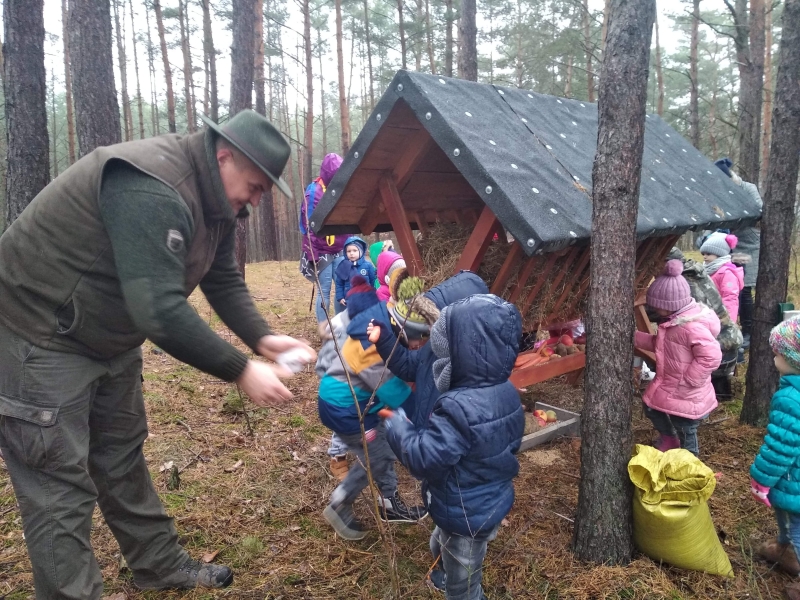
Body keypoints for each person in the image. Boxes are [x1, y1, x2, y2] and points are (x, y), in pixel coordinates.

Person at [0, 109, 316, 597]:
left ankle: (161, 567)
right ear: (224, 155)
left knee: (121, 454)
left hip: (106, 335)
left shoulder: (219, 204)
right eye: (255, 186)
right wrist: (240, 370)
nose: (256, 200)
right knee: (59, 490)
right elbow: (159, 309)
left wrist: (263, 338)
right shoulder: (151, 185)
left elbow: (223, 277)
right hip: (39, 333)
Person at [382, 294, 525, 600]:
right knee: (442, 543)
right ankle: (447, 572)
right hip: (489, 499)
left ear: (464, 354)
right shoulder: (507, 392)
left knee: (464, 585)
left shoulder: (459, 408)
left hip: (466, 512)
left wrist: (398, 426)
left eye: (445, 352)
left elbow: (423, 458)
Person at [315, 276, 425, 540]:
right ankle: (340, 503)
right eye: (417, 342)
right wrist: (422, 416)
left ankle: (389, 502)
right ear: (403, 331)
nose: (418, 347)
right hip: (344, 410)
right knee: (376, 456)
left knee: (383, 446)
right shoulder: (370, 349)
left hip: (360, 404)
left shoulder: (380, 325)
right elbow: (395, 393)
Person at [369, 270, 490, 429]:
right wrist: (384, 340)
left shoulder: (467, 365)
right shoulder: (438, 345)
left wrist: (402, 433)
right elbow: (409, 365)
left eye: (415, 341)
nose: (414, 347)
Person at [635, 260, 722, 456]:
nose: (656, 310)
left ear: (672, 305)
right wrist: (635, 338)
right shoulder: (673, 323)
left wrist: (691, 378)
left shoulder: (690, 327)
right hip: (671, 383)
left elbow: (712, 355)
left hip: (687, 390)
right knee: (651, 408)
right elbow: (661, 346)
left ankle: (690, 461)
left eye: (659, 307)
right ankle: (669, 439)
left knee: (685, 426)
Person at [750, 316, 800, 600]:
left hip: (794, 477)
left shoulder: (791, 398)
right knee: (786, 514)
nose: (773, 355)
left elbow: (780, 447)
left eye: (778, 352)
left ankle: (792, 549)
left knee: (798, 527)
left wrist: (761, 479)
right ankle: (785, 550)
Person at [667, 247, 742, 400]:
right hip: (729, 338)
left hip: (718, 345)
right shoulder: (697, 273)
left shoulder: (683, 283)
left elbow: (668, 308)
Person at [714, 157, 762, 356]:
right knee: (734, 287)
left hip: (749, 243)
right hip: (732, 243)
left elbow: (759, 211)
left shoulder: (748, 188)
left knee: (745, 289)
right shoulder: (724, 193)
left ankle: (749, 331)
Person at [299, 153, 350, 336]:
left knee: (342, 289)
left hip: (340, 248)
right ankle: (325, 332)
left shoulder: (342, 189)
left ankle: (341, 329)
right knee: (324, 290)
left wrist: (350, 244)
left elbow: (347, 218)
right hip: (321, 251)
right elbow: (308, 225)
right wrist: (313, 254)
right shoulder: (313, 192)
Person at [699, 232, 745, 324]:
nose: (705, 256)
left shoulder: (727, 273)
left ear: (719, 254)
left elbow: (730, 298)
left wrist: (728, 321)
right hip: (707, 314)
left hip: (720, 318)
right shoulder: (706, 270)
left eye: (708, 254)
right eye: (703, 254)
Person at [334, 236, 377, 306]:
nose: (351, 253)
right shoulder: (343, 266)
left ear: (361, 251)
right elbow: (339, 283)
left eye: (354, 250)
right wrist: (340, 297)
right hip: (349, 300)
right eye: (349, 251)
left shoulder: (368, 266)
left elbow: (373, 282)